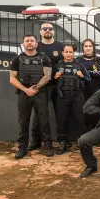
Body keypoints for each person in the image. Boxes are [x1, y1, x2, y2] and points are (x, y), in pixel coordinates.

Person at [9, 34, 53, 158]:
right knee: (23, 121)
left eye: (32, 40)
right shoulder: (17, 59)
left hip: (40, 93)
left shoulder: (44, 58)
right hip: (24, 93)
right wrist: (26, 90)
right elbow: (12, 78)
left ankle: (48, 147)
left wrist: (35, 88)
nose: (29, 43)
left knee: (44, 121)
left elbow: (47, 76)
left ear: (36, 44)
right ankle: (22, 148)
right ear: (23, 43)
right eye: (27, 41)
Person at [29, 22, 65, 151]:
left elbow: (67, 62)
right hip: (41, 86)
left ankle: (62, 141)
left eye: (50, 28)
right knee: (39, 114)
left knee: (60, 114)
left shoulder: (60, 46)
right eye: (45, 29)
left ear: (53, 31)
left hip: (58, 86)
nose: (47, 30)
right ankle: (36, 141)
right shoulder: (36, 46)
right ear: (40, 31)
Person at [54, 44, 90, 154]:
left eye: (70, 52)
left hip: (77, 95)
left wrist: (82, 76)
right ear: (62, 53)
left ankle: (83, 142)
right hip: (62, 96)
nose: (68, 54)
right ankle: (62, 142)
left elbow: (88, 79)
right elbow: (49, 81)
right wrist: (54, 77)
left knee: (81, 118)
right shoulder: (57, 66)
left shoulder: (79, 65)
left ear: (73, 53)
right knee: (62, 119)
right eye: (66, 52)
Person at [77, 38, 100, 131]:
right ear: (83, 48)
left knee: (95, 111)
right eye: (86, 46)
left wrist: (84, 73)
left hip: (95, 90)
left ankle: (95, 132)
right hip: (82, 90)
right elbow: (76, 72)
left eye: (90, 46)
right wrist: (89, 72)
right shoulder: (78, 60)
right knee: (83, 111)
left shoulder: (98, 60)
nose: (88, 48)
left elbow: (98, 73)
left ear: (93, 47)